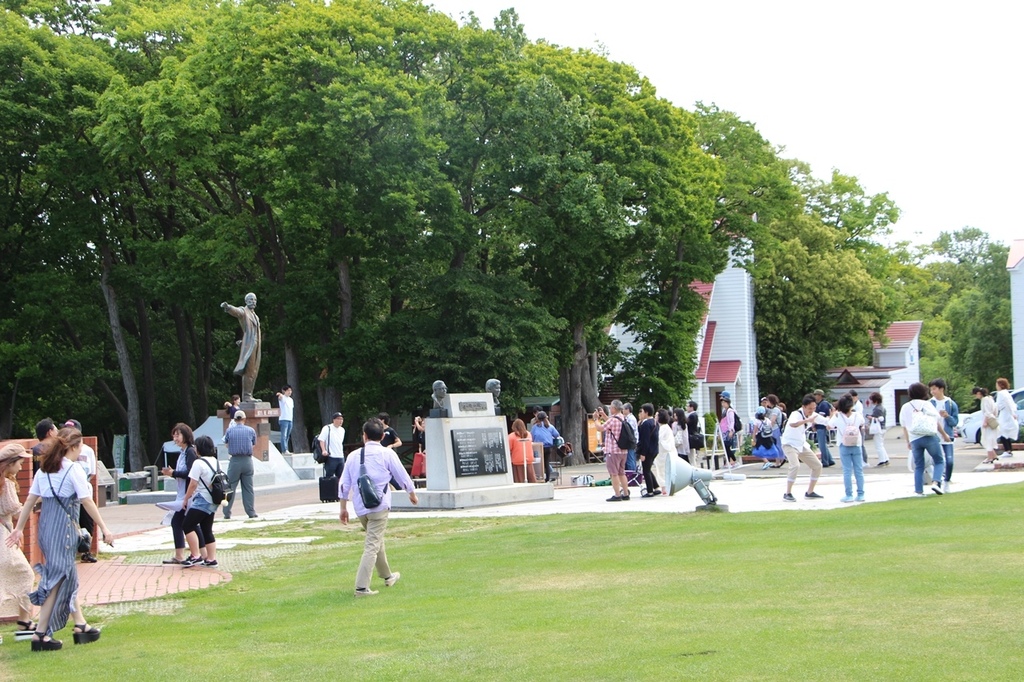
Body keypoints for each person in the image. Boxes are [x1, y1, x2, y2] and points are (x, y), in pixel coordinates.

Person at [5, 428, 113, 651]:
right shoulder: (72, 470)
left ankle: (80, 625)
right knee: (58, 579)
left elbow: (29, 502)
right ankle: (41, 633)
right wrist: (104, 528)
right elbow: (87, 501)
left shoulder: (44, 470)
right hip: (64, 529)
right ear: (73, 447)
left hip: (47, 530)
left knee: (67, 575)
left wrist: (19, 529)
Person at [339, 418, 419, 596]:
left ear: (364, 435)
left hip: (361, 507)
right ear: (383, 436)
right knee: (372, 545)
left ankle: (388, 576)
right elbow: (402, 476)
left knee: (376, 541)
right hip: (380, 505)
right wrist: (411, 493)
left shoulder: (353, 456)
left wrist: (343, 508)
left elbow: (344, 484)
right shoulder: (387, 454)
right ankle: (361, 587)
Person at [0, 444, 36, 636]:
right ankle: (24, 622)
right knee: (25, 575)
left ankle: (24, 622)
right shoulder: (5, 484)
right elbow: (16, 511)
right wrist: (36, 500)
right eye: (20, 463)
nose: (21, 467)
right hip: (4, 538)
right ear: (10, 463)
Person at [159, 423, 205, 565]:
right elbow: (182, 474)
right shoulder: (183, 453)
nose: (175, 437)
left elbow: (191, 474)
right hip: (183, 495)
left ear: (186, 435)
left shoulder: (190, 452)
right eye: (174, 435)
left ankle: (191, 555)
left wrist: (174, 473)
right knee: (186, 523)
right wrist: (172, 473)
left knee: (181, 522)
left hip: (188, 495)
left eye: (178, 434)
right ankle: (202, 554)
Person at [899, 381, 949, 496]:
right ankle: (936, 482)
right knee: (939, 460)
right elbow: (935, 421)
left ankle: (919, 491)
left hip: (914, 438)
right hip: (929, 436)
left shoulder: (905, 407)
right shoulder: (927, 404)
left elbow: (904, 426)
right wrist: (944, 434)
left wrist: (908, 441)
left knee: (919, 465)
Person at [181, 436, 220, 568]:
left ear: (199, 449)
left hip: (202, 499)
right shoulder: (215, 461)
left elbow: (193, 483)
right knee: (206, 529)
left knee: (187, 525)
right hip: (213, 500)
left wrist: (186, 499)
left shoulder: (198, 463)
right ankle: (211, 559)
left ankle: (195, 555)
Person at [63, 419, 97, 563]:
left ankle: (86, 550)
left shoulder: (88, 451)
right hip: (68, 494)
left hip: (84, 490)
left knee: (87, 520)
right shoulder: (62, 453)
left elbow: (93, 472)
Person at [780, 394, 825, 502]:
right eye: (810, 408)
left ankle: (810, 492)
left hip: (801, 444)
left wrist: (834, 417)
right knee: (795, 465)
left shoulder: (813, 415)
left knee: (817, 466)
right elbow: (793, 424)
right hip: (789, 444)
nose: (812, 410)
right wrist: (807, 420)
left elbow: (826, 421)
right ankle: (788, 493)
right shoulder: (796, 414)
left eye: (814, 408)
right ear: (803, 407)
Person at [221, 292, 261, 403]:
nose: (253, 301)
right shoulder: (244, 312)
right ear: (246, 301)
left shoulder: (255, 316)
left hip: (256, 345)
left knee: (254, 371)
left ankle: (250, 394)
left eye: (254, 300)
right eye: (251, 299)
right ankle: (247, 396)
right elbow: (237, 312)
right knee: (249, 371)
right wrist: (228, 307)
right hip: (250, 345)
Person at [221, 410, 257, 519]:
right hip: (247, 461)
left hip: (235, 461)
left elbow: (226, 444)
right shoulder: (251, 430)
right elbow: (254, 444)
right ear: (244, 419)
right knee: (248, 488)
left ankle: (227, 512)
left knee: (230, 487)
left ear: (235, 419)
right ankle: (251, 512)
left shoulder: (229, 431)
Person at [829, 394, 865, 503]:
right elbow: (862, 424)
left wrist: (832, 415)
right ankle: (861, 494)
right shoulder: (857, 415)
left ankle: (849, 495)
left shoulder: (837, 416)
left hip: (843, 444)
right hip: (856, 444)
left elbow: (830, 426)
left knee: (847, 470)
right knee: (859, 470)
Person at [594, 400, 629, 501]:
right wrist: (604, 415)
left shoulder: (613, 420)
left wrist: (596, 419)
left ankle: (617, 495)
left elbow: (600, 428)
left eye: (610, 408)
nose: (610, 409)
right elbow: (611, 423)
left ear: (614, 408)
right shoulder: (622, 418)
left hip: (613, 451)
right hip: (623, 450)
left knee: (614, 474)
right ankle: (626, 493)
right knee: (622, 473)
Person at [929, 378, 959, 493]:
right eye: (931, 389)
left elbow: (955, 422)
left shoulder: (951, 404)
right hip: (933, 436)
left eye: (934, 389)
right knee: (935, 460)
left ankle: (946, 481)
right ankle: (938, 481)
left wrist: (947, 416)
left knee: (950, 461)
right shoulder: (930, 403)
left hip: (947, 436)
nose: (932, 391)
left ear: (941, 389)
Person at [636, 403, 660, 497]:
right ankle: (656, 487)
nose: (640, 414)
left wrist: (643, 453)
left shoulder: (646, 423)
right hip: (654, 449)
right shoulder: (654, 422)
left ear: (646, 412)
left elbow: (645, 440)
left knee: (646, 470)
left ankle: (650, 491)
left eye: (641, 411)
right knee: (648, 469)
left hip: (648, 450)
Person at [530, 411, 560, 483]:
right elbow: (557, 434)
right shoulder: (550, 426)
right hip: (548, 447)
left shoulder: (535, 427)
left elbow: (532, 437)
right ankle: (548, 478)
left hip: (538, 447)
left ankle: (540, 476)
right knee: (547, 462)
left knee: (539, 462)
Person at [994, 377, 1020, 458]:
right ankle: (1009, 450)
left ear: (1000, 385)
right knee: (1005, 433)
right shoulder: (1006, 393)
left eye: (997, 384)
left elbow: (1007, 403)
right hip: (1006, 414)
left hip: (1005, 415)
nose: (996, 386)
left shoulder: (1001, 393)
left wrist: (1012, 413)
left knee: (1002, 431)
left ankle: (1007, 450)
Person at [975, 386, 1000, 464]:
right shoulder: (990, 398)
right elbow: (995, 410)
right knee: (991, 439)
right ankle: (994, 455)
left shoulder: (984, 400)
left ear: (979, 393)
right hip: (993, 420)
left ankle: (990, 457)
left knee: (987, 439)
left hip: (988, 421)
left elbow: (987, 412)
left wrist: (985, 422)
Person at [318, 412, 347, 480]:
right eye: (339, 419)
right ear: (334, 420)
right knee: (329, 476)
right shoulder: (327, 428)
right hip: (331, 456)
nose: (341, 421)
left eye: (342, 419)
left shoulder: (342, 430)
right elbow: (322, 440)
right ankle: (328, 489)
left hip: (340, 456)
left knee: (341, 476)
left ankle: (339, 490)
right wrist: (323, 450)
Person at [812, 389, 836, 467]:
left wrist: (813, 424)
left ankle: (825, 461)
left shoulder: (823, 404)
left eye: (816, 395)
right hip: (821, 425)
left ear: (820, 395)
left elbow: (821, 416)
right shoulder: (821, 404)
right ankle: (830, 460)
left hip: (822, 426)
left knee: (822, 444)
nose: (815, 396)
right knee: (823, 444)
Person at [507, 419, 536, 483]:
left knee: (519, 479)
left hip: (518, 460)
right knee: (531, 478)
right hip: (529, 459)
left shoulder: (511, 436)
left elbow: (508, 449)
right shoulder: (528, 434)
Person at [865, 392, 890, 466]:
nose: (871, 402)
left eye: (872, 400)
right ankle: (885, 459)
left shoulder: (877, 409)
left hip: (878, 429)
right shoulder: (882, 407)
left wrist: (869, 417)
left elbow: (876, 419)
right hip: (883, 428)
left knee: (878, 445)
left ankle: (882, 461)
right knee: (881, 445)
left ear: (875, 400)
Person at [655, 409, 675, 495]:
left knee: (663, 470)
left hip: (664, 453)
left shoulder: (663, 428)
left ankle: (665, 487)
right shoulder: (665, 427)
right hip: (664, 452)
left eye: (656, 415)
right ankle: (664, 487)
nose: (655, 417)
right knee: (663, 470)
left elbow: (659, 439)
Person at [718, 394, 739, 468]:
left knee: (727, 447)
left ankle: (732, 461)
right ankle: (731, 461)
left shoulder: (730, 411)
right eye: (722, 402)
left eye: (724, 402)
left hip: (728, 431)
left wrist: (731, 430)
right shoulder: (725, 411)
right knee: (726, 447)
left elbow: (732, 421)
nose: (723, 404)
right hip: (725, 431)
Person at [275, 385, 294, 454]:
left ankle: (286, 449)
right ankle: (284, 449)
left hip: (290, 419)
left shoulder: (291, 400)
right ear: (284, 391)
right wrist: (279, 394)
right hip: (283, 419)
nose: (290, 392)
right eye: (288, 390)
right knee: (284, 435)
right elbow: (279, 396)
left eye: (290, 390)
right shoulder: (283, 397)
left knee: (288, 435)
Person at [622, 403, 639, 473]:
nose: (622, 410)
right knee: (629, 459)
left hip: (631, 442)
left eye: (623, 409)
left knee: (630, 459)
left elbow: (629, 431)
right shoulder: (627, 418)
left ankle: (632, 475)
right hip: (629, 441)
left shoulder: (631, 419)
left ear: (627, 410)